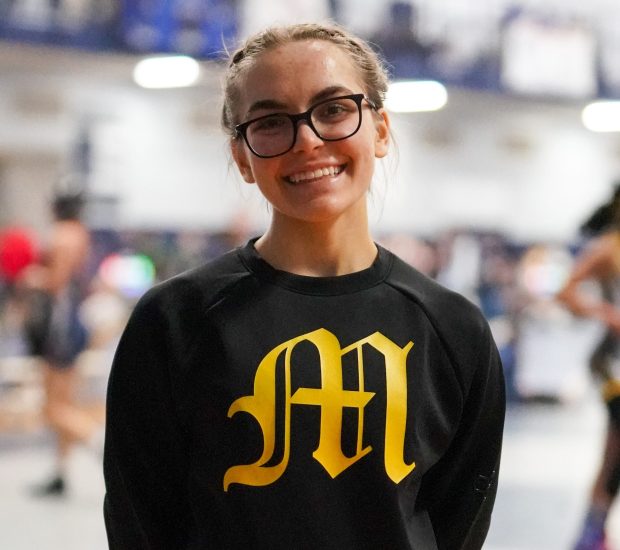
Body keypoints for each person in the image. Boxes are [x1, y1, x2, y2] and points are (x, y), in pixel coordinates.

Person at [103, 22, 505, 550]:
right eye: (271, 121)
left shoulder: (453, 329)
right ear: (243, 157)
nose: (309, 140)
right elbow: (141, 521)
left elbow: (457, 522)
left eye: (334, 109)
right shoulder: (176, 320)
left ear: (380, 129)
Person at [24, 191, 101, 496]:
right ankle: (61, 472)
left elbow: (55, 282)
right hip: (75, 321)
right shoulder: (81, 234)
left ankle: (99, 442)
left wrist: (32, 277)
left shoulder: (60, 235)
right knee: (65, 402)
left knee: (52, 408)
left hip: (60, 325)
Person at [558, 187, 620, 550]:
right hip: (614, 365)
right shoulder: (609, 248)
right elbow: (566, 291)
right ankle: (590, 535)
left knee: (615, 455)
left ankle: (592, 532)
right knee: (615, 453)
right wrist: (608, 315)